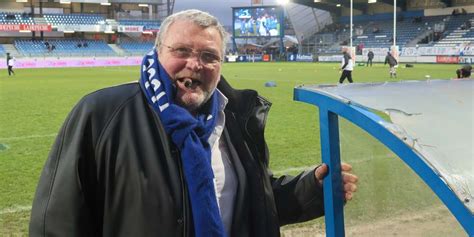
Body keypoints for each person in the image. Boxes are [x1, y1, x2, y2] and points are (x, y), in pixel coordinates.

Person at [29, 9, 358, 236]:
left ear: (220, 63)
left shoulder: (236, 120)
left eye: (209, 55)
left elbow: (252, 202)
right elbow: (57, 223)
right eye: (181, 50)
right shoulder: (102, 114)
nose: (195, 64)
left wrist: (313, 188)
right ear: (157, 52)